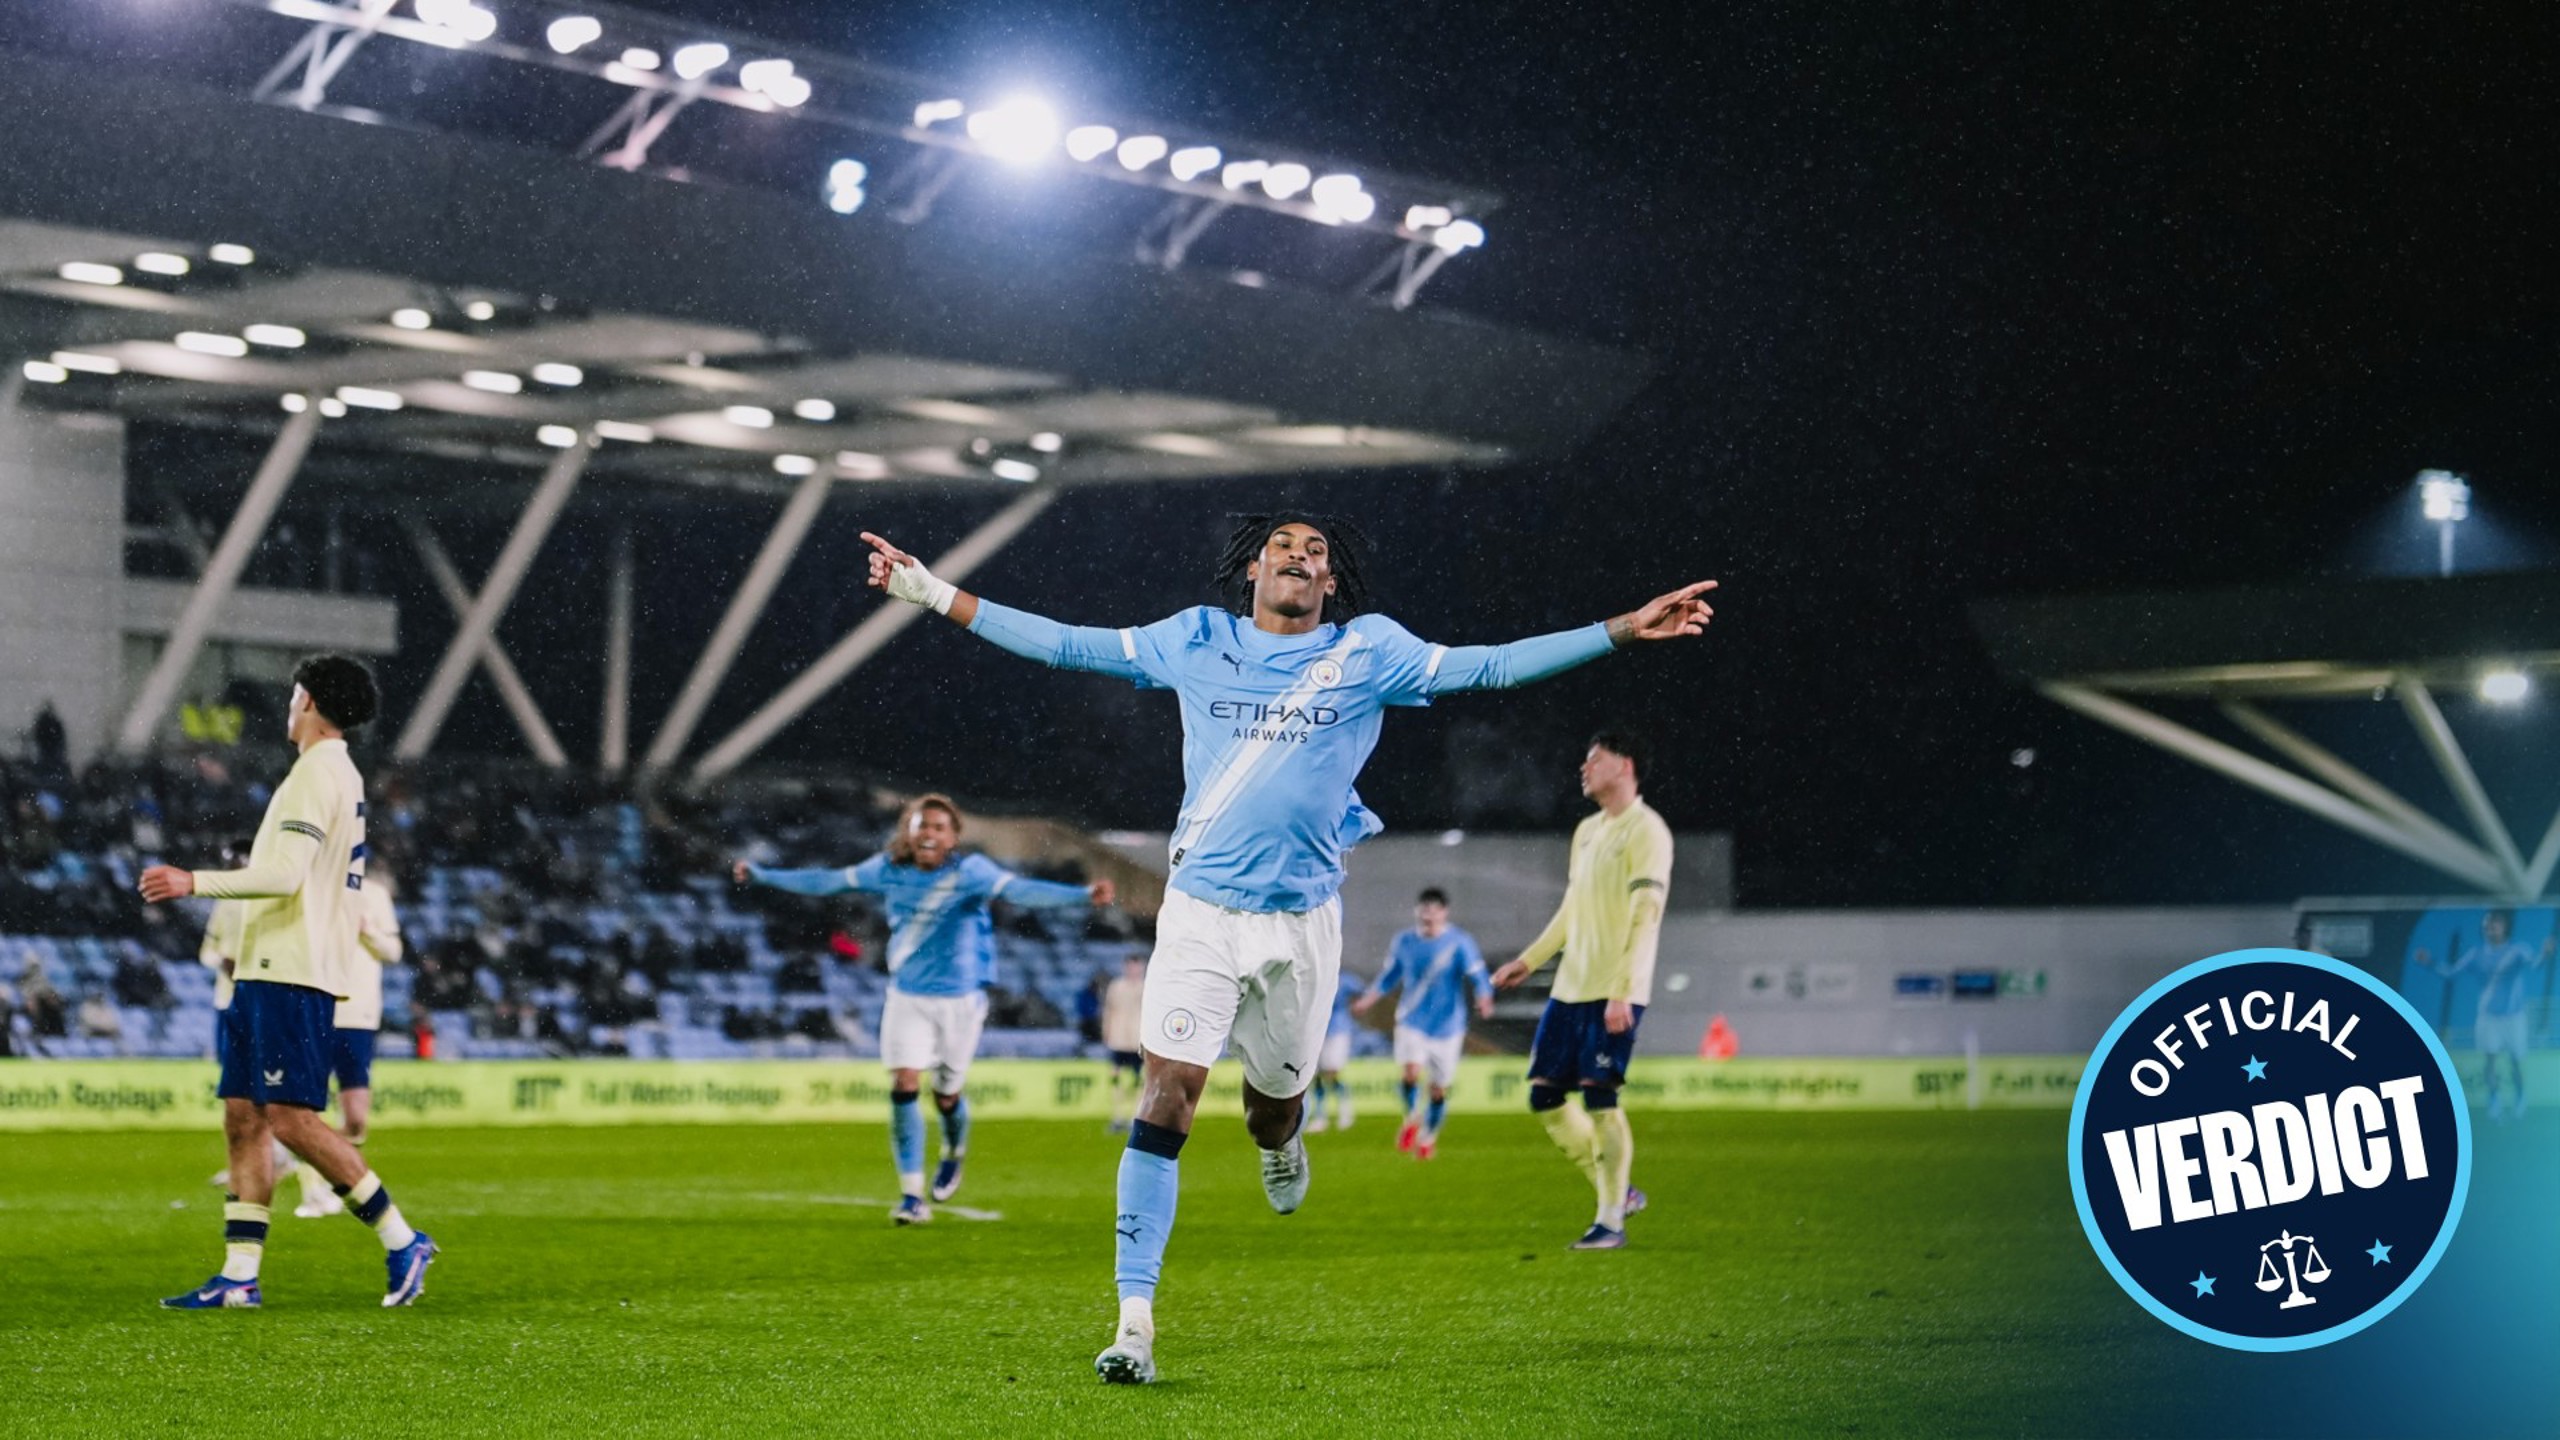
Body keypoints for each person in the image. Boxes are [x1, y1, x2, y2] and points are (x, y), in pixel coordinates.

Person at [860, 512, 1715, 1383]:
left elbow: (1488, 665)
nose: (1301, 557)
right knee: (1167, 1096)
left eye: (1317, 552)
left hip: (1302, 925)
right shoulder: (1194, 639)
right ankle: (1134, 1324)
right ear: (1255, 570)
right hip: (1199, 914)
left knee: (1272, 1108)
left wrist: (1620, 630)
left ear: (1332, 583)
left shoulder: (1371, 652)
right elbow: (1064, 645)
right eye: (1284, 547)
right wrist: (927, 589)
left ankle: (1280, 1141)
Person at [140, 655, 439, 1309]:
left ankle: (402, 1239)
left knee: (291, 1119)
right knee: (244, 1119)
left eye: (293, 693)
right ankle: (239, 1276)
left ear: (306, 700)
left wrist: (194, 881)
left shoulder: (319, 773)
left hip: (291, 968)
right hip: (266, 967)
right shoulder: (329, 772)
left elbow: (282, 875)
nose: (288, 703)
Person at [735, 794, 1113, 1223]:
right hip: (908, 996)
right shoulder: (888, 869)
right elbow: (829, 880)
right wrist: (764, 874)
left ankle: (954, 1150)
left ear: (952, 837)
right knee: (904, 1082)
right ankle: (912, 1196)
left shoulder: (972, 873)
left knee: (946, 1094)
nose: (928, 833)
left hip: (961, 1001)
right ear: (908, 833)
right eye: (921, 825)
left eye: (937, 827)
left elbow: (1023, 891)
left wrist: (1081, 895)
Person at [1492, 732, 1674, 1251]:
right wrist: (1529, 960)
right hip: (1571, 989)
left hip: (1615, 990)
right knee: (1545, 1096)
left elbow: (1647, 915)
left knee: (1600, 1099)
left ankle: (1610, 1222)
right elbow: (1573, 910)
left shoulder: (1648, 831)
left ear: (1627, 765)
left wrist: (1623, 990)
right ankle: (1617, 1194)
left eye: (1595, 758)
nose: (1584, 766)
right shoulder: (1588, 831)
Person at [291, 861, 404, 1217]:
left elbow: (394, 952)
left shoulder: (374, 895)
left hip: (360, 1013)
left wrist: (367, 930)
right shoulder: (310, 889)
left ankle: (326, 1170)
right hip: (316, 1007)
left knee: (355, 1119)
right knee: (305, 1109)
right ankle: (313, 1189)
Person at [1356, 887, 1493, 1159]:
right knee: (1410, 1072)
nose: (1429, 914)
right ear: (1417, 911)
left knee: (1438, 1089)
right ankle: (1411, 1118)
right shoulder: (1404, 941)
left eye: (1435, 909)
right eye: (1424, 909)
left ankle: (1428, 1136)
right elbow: (1390, 974)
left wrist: (1485, 997)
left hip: (1448, 1025)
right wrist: (1369, 999)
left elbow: (1477, 974)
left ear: (1444, 912)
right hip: (1411, 1019)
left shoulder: (1459, 942)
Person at [2418, 909, 2553, 1122]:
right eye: (2487, 924)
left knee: (2515, 1061)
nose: (2490, 928)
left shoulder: (2517, 951)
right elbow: (2451, 973)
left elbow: (2535, 965)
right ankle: (2494, 1100)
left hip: (2514, 1017)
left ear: (2504, 927)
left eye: (2495, 924)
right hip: (2488, 1018)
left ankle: (2519, 1098)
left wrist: (2545, 953)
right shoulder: (2475, 954)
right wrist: (2430, 961)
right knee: (2490, 1061)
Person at [1305, 966, 1367, 1134]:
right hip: (1316, 1031)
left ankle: (1345, 1110)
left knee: (1331, 1072)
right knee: (1315, 1075)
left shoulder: (1345, 980)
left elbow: (1362, 992)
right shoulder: (1313, 978)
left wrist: (1357, 1005)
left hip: (1338, 1031)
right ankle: (1320, 1116)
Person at [1101, 954, 1146, 1134]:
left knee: (1139, 1080)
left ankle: (1136, 1116)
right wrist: (1106, 1032)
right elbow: (1108, 1011)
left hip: (1137, 1040)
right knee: (1116, 1078)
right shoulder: (1116, 987)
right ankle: (1117, 1116)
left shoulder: (1146, 987)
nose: (1134, 970)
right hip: (1119, 1039)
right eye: (1131, 966)